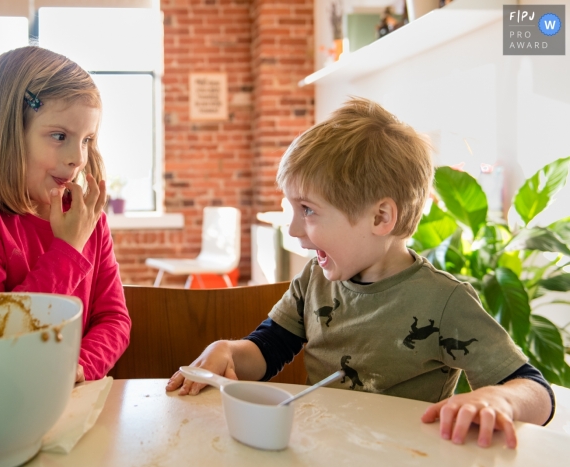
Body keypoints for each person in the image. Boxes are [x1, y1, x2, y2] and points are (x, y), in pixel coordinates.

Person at [166, 97, 554, 448]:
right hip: (319, 448)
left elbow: (537, 392)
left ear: (380, 217)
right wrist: (228, 351)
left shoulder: (445, 301)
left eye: (309, 210)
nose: (295, 229)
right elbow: (268, 351)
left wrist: (499, 398)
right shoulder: (315, 279)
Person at [0, 46, 131, 382]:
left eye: (87, 139)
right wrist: (67, 251)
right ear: (7, 133)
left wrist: (76, 367)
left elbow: (113, 317)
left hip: (66, 395)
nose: (78, 158)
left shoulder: (87, 218)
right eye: (59, 136)